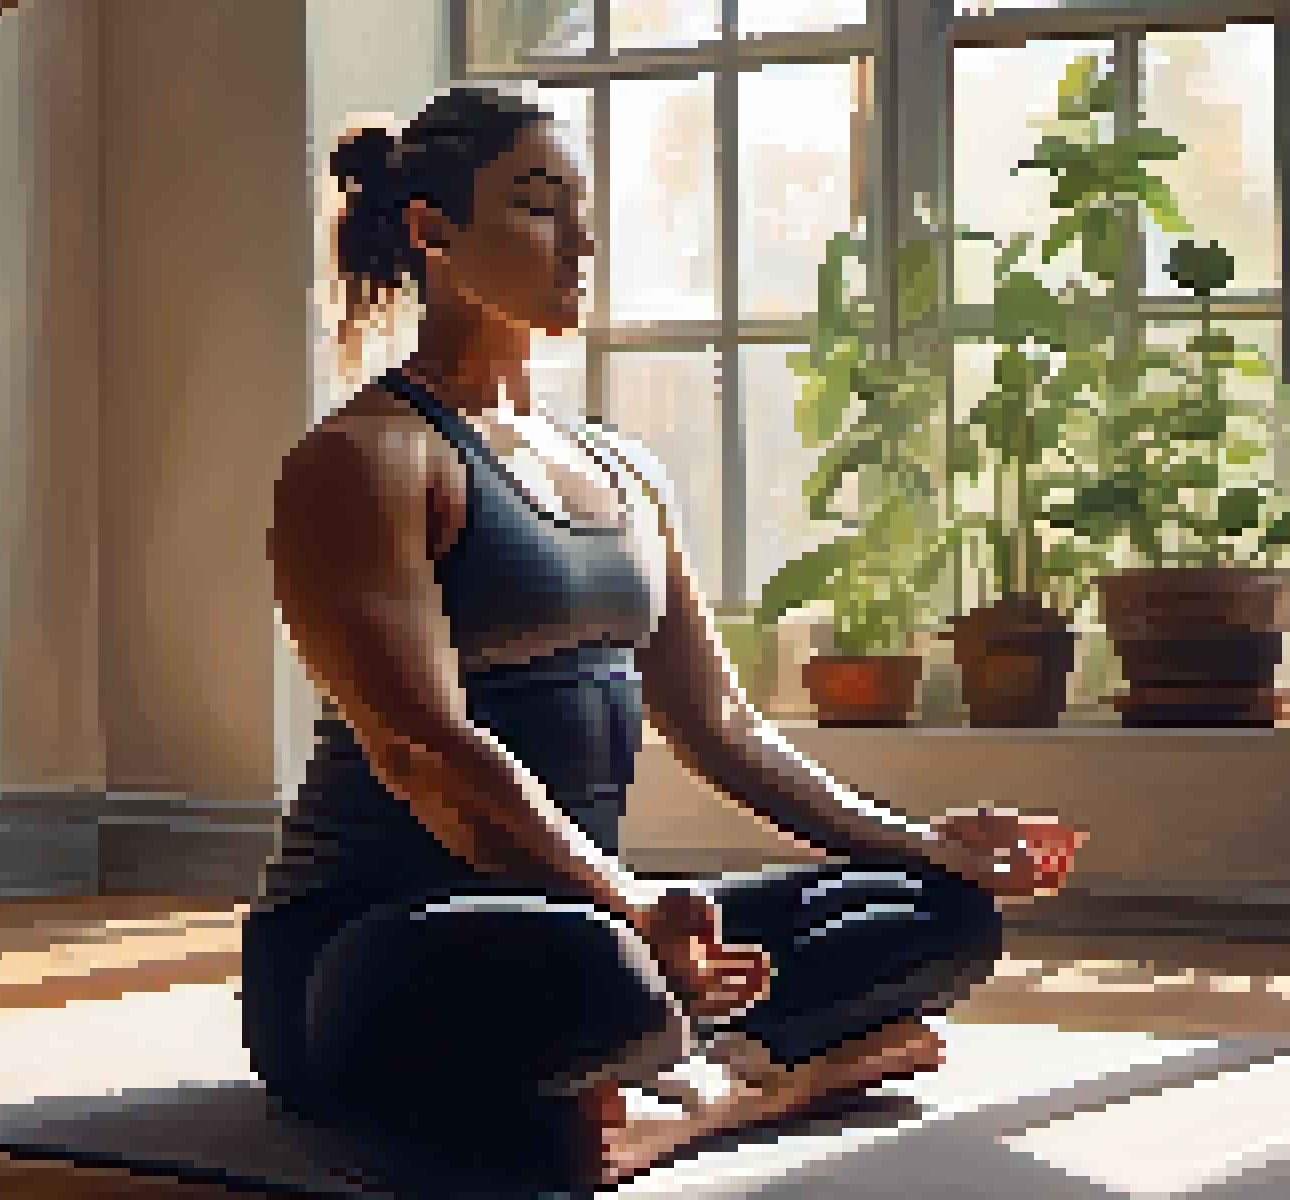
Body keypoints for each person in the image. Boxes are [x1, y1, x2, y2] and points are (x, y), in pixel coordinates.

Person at [245, 86, 1089, 1197]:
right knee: (602, 974)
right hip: (370, 948)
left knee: (934, 915)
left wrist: (917, 840)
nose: (582, 240)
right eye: (540, 206)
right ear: (431, 230)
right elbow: (425, 753)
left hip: (586, 905)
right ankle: (774, 1071)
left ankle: (702, 1096)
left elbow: (724, 725)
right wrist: (631, 907)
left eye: (583, 210)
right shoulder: (366, 461)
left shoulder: (623, 472)